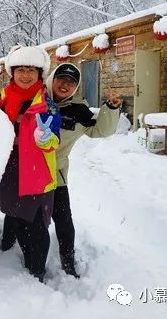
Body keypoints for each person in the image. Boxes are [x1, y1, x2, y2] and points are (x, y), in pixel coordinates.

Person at [46, 63, 121, 278]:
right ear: (52, 79)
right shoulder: (38, 100)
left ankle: (68, 262)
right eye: (61, 79)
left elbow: (100, 130)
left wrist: (112, 108)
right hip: (29, 172)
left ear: (76, 88)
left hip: (56, 176)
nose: (65, 85)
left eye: (71, 83)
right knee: (25, 219)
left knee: (64, 223)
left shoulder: (78, 111)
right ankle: (8, 251)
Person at [0, 46, 61, 282]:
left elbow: (54, 140)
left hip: (36, 172)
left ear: (40, 73)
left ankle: (37, 270)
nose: (25, 75)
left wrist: (46, 139)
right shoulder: (1, 100)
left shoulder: (46, 104)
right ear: (12, 72)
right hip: (11, 169)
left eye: (31, 70)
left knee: (35, 225)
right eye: (20, 69)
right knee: (14, 212)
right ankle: (9, 245)